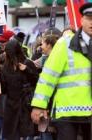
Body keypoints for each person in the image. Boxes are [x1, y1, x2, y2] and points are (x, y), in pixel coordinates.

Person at [31, 3, 92, 140]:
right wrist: (39, 105)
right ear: (81, 20)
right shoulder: (64, 43)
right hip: (67, 113)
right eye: (89, 18)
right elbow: (48, 77)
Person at [0, 39, 39, 140]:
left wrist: (26, 70)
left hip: (24, 104)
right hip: (11, 105)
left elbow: (37, 81)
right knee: (12, 134)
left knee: (25, 133)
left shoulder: (27, 63)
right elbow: (4, 90)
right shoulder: (5, 67)